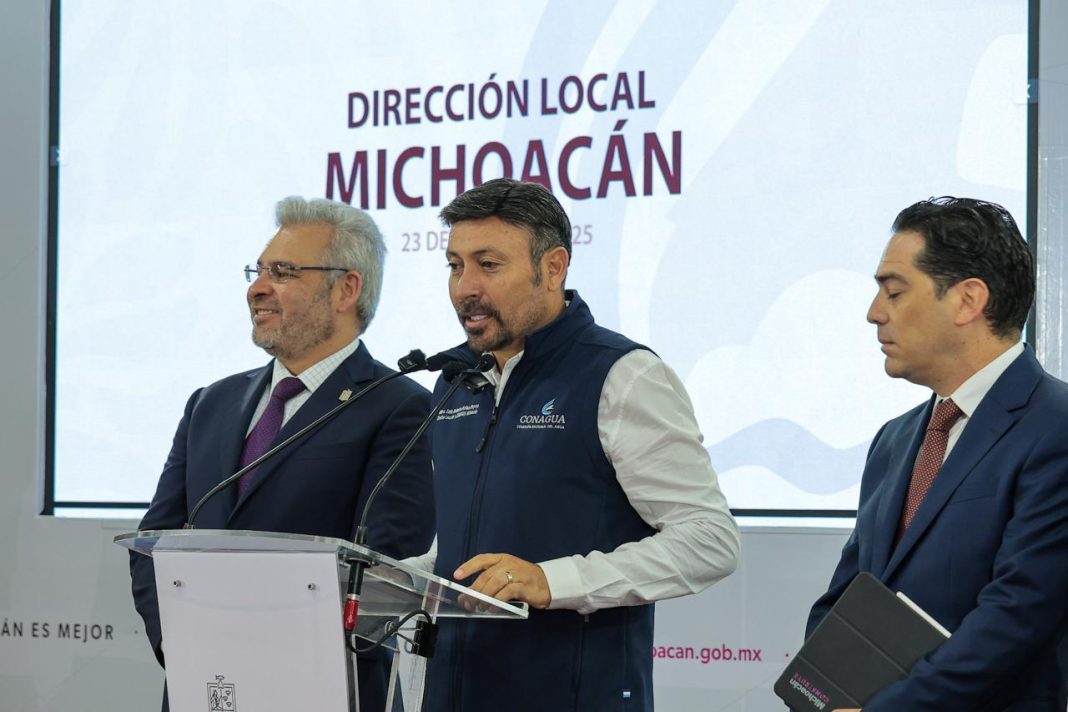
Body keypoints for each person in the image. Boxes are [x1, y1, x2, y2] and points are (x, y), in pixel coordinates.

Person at [412, 178, 740, 711]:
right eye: (455, 265)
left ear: (553, 267)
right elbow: (464, 546)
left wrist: (552, 580)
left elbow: (710, 540)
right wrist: (400, 578)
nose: (465, 287)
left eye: (488, 265)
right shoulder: (453, 381)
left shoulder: (622, 375)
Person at [129, 196, 435, 712]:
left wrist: (256, 655)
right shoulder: (211, 402)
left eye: (284, 272)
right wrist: (182, 645)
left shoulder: (400, 407)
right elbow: (152, 543)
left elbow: (384, 568)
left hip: (319, 687)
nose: (257, 289)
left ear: (346, 289)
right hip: (201, 683)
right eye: (259, 271)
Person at [807, 197, 1068, 711]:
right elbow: (847, 598)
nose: (874, 313)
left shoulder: (1055, 429)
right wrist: (821, 695)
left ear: (968, 300)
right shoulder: (894, 440)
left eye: (894, 291)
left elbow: (1014, 620)